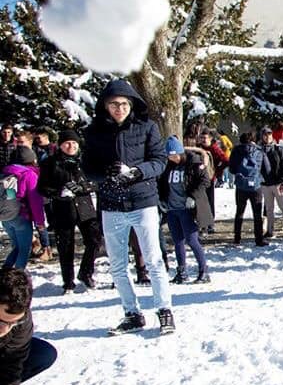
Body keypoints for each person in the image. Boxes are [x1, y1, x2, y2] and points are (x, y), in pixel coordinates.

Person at [82, 79, 176, 335]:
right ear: (105, 106)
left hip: (143, 201)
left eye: (124, 104)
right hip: (111, 204)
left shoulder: (147, 127)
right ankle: (131, 313)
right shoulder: (93, 132)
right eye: (114, 104)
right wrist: (105, 174)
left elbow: (159, 161)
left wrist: (136, 172)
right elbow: (87, 168)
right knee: (117, 264)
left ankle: (164, 310)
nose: (119, 108)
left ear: (132, 104)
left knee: (154, 259)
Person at [36, 130, 103, 292]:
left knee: (94, 241)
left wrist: (84, 187)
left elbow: (98, 181)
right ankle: (68, 282)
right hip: (63, 209)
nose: (71, 146)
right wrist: (59, 191)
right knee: (66, 247)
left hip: (85, 207)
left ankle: (86, 273)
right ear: (60, 145)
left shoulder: (85, 161)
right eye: (67, 143)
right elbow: (42, 188)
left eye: (74, 143)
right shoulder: (50, 163)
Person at [158, 136, 212, 284]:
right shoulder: (167, 167)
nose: (172, 158)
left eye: (175, 155)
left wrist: (193, 197)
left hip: (187, 209)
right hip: (172, 209)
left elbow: (205, 181)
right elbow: (162, 185)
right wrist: (162, 200)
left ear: (181, 153)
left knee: (192, 240)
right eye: (169, 156)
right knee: (177, 241)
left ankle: (204, 271)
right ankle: (182, 272)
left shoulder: (194, 163)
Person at [1, 147, 46, 270]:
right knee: (24, 249)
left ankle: (6, 271)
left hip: (6, 216)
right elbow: (35, 202)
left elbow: (10, 195)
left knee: (17, 247)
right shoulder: (29, 174)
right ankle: (17, 276)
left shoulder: (5, 172)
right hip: (22, 217)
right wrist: (40, 222)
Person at [228, 131, 271, 247]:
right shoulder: (259, 151)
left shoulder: (236, 150)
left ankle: (237, 238)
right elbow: (267, 169)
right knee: (257, 214)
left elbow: (231, 169)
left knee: (239, 212)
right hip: (256, 186)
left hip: (241, 185)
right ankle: (259, 239)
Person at [259, 129, 283, 238]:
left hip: (278, 183)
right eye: (265, 135)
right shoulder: (259, 150)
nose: (267, 137)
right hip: (265, 183)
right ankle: (270, 230)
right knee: (269, 209)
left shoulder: (279, 149)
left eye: (269, 135)